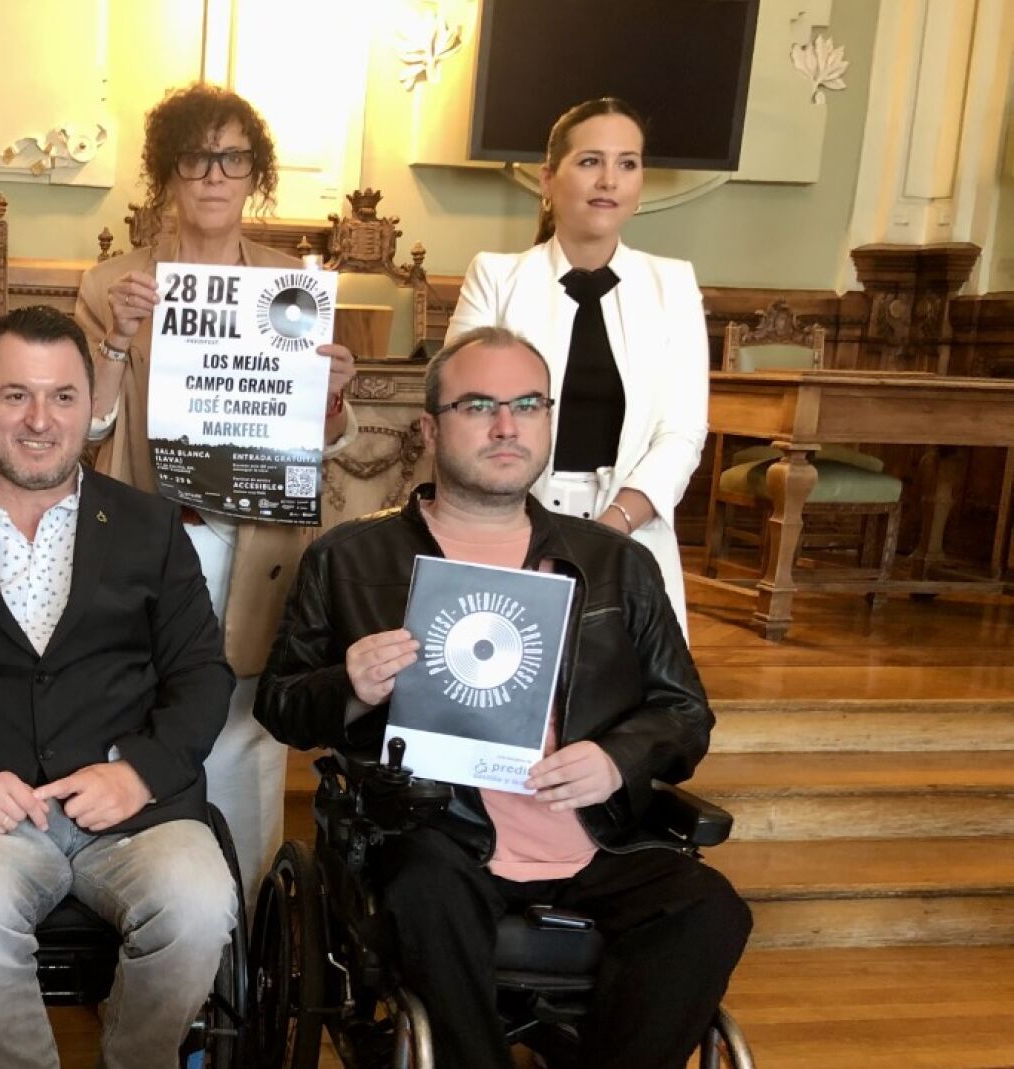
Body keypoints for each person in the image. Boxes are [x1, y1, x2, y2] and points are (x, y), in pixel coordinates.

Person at [255, 326, 750, 1069]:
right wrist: (348, 686)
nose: (506, 426)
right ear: (430, 429)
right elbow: (281, 704)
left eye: (527, 404)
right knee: (425, 892)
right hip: (437, 829)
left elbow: (685, 714)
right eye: (479, 405)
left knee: (711, 910)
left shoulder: (615, 563)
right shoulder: (350, 557)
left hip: (596, 834)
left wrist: (617, 759)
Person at [0, 305, 238, 1069]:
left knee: (200, 906)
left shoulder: (152, 526)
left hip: (135, 815)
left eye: (62, 396)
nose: (40, 420)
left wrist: (140, 773)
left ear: (91, 407)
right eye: (16, 395)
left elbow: (202, 674)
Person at [74, 84, 360, 892]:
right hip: (156, 532)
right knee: (140, 717)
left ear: (254, 174)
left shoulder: (292, 285)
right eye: (196, 158)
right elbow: (86, 428)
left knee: (245, 733)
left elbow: (327, 437)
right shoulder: (113, 283)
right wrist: (117, 340)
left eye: (232, 159)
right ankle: (145, 899)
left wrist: (331, 394)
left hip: (256, 539)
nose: (213, 176)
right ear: (167, 171)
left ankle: (247, 926)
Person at [446, 97, 709, 632]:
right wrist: (529, 533)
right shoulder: (496, 277)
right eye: (590, 161)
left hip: (630, 530)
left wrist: (609, 531)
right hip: (505, 526)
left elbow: (682, 433)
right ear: (548, 178)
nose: (609, 180)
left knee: (627, 679)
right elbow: (462, 410)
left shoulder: (674, 284)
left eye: (627, 163)